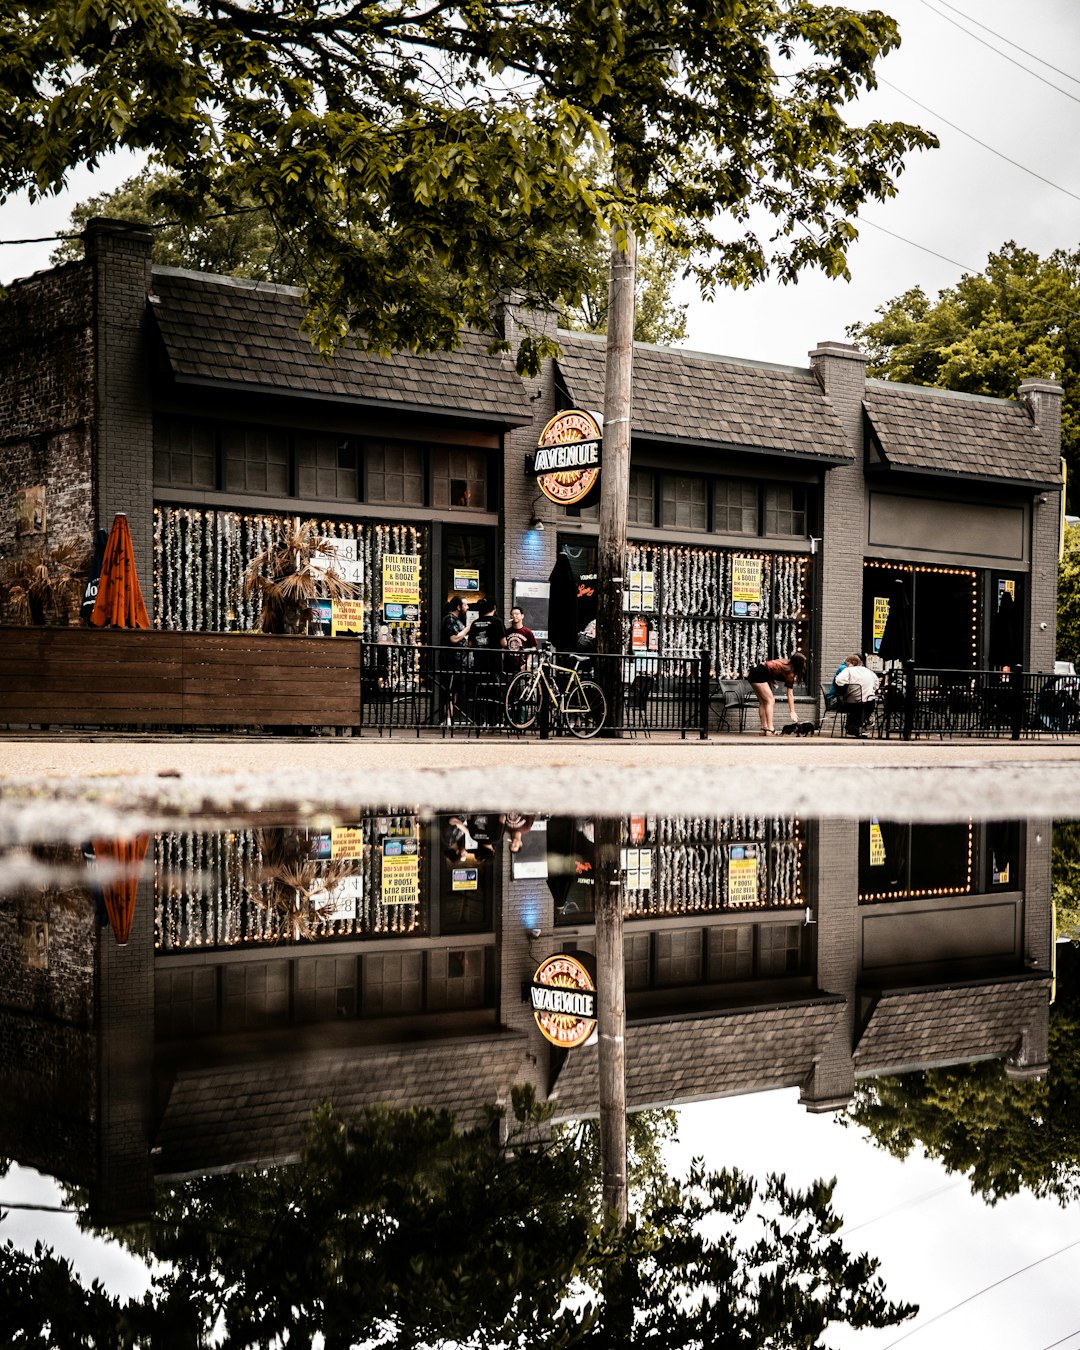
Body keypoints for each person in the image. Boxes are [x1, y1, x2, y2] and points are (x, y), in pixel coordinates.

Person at [747, 651, 806, 735]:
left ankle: (764, 728)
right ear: (799, 664)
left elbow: (771, 667)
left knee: (763, 702)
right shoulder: (790, 673)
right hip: (760, 674)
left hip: (756, 672)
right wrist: (792, 711)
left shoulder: (785, 662)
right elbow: (790, 694)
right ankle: (770, 728)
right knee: (770, 701)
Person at [438, 596, 470, 723]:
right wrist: (468, 629)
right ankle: (447, 718)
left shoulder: (456, 619)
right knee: (450, 690)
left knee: (455, 690)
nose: (467, 608)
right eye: (465, 605)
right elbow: (454, 639)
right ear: (458, 607)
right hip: (451, 660)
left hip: (458, 660)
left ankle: (449, 717)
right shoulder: (450, 619)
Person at [834, 654, 880, 738]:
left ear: (851, 663)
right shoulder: (869, 671)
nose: (846, 665)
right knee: (862, 707)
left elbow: (839, 681)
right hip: (869, 703)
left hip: (852, 703)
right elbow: (876, 684)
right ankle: (863, 723)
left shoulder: (848, 671)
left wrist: (848, 687)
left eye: (847, 663)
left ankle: (854, 727)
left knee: (853, 708)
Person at [504, 605, 538, 673]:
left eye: (516, 614)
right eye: (512, 614)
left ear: (522, 616)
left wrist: (527, 664)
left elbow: (533, 648)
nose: (514, 616)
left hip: (522, 666)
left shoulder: (527, 632)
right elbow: (503, 648)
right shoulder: (507, 632)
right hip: (508, 666)